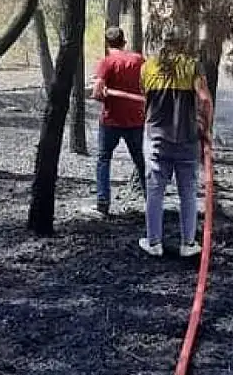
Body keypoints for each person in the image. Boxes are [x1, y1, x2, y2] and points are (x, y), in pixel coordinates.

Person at [138, 27, 214, 258]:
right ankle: (188, 244)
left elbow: (144, 99)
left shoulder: (147, 66)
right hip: (187, 139)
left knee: (155, 192)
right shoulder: (192, 66)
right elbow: (205, 100)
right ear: (183, 44)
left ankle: (154, 243)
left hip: (156, 138)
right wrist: (206, 129)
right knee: (188, 192)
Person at [90, 27, 147, 216]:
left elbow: (97, 93)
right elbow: (148, 83)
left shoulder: (106, 63)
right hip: (135, 119)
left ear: (107, 43)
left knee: (104, 159)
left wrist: (101, 94)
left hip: (111, 120)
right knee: (140, 160)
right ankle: (152, 199)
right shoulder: (139, 60)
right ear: (124, 41)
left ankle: (103, 202)